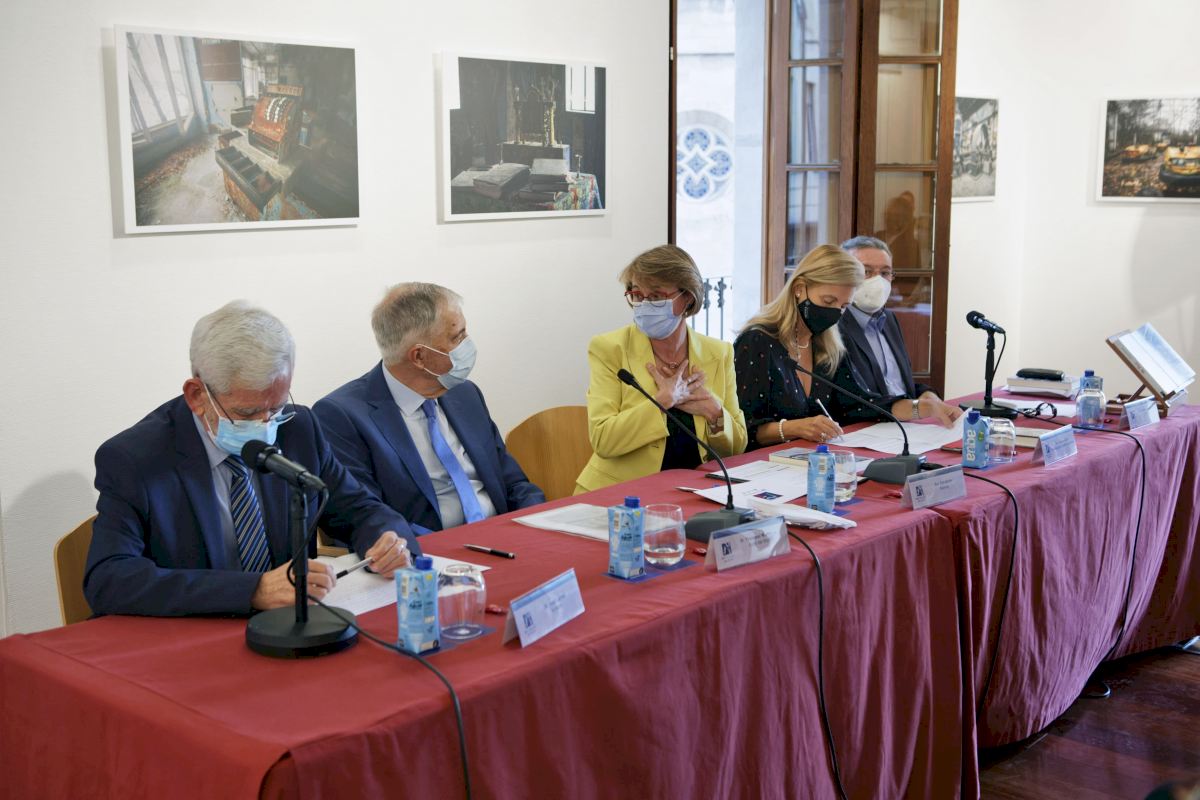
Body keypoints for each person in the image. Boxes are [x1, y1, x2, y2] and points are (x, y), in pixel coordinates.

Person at [85, 301, 417, 618]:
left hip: (293, 625)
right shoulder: (134, 459)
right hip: (196, 630)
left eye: (275, 407)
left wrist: (386, 541)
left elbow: (359, 509)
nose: (265, 425)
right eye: (246, 413)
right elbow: (109, 578)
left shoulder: (298, 428)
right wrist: (252, 590)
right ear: (197, 395)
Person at [314, 283, 544, 534]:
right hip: (427, 549)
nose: (467, 344)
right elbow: (363, 516)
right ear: (419, 356)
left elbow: (513, 483)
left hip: (503, 537)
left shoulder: (465, 394)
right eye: (457, 337)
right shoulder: (341, 416)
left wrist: (537, 525)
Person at [734, 244, 952, 450]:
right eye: (828, 301)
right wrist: (794, 428)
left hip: (816, 460)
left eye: (844, 306)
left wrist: (922, 407)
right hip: (763, 465)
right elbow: (742, 429)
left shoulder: (828, 344)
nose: (835, 313)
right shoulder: (757, 341)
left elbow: (861, 404)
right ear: (799, 288)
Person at [575, 245, 747, 493]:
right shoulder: (609, 349)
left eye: (656, 296)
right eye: (637, 295)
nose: (644, 305)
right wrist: (662, 401)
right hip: (620, 494)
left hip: (694, 493)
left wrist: (714, 412)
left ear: (687, 298)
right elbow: (603, 440)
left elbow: (737, 448)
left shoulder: (719, 353)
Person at [839, 235, 962, 426]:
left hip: (907, 426)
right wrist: (918, 408)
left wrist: (926, 395)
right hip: (869, 429)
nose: (877, 280)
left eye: (885, 273)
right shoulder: (835, 326)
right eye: (866, 271)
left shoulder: (889, 319)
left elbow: (897, 385)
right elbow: (852, 401)